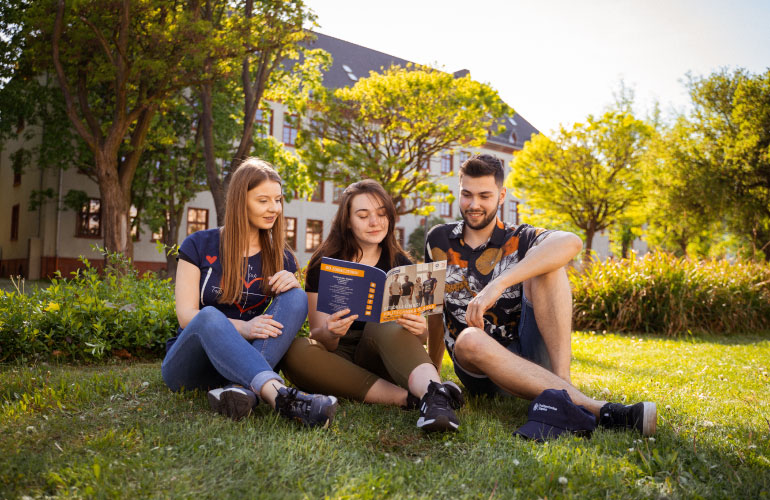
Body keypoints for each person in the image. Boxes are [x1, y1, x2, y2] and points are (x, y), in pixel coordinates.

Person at [424, 153, 657, 436]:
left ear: (501, 196)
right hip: (476, 365)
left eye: (485, 196)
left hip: (529, 353)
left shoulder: (520, 237)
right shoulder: (438, 239)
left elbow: (571, 242)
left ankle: (562, 389)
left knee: (549, 266)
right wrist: (433, 377)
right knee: (471, 338)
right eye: (467, 195)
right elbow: (434, 312)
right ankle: (599, 409)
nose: (474, 205)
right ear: (458, 191)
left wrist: (496, 285)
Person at [161, 158, 338, 427]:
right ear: (240, 201)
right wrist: (244, 328)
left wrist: (291, 284)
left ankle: (238, 392)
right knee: (208, 316)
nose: (274, 209)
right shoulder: (198, 244)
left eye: (278, 200)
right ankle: (280, 397)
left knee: (297, 296)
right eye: (263, 200)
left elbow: (288, 312)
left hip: (245, 364)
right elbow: (187, 318)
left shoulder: (282, 259)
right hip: (190, 367)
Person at [281, 180, 464, 432]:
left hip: (382, 354)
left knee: (384, 323)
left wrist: (419, 327)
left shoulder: (400, 264)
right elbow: (319, 336)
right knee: (295, 350)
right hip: (339, 357)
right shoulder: (323, 262)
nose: (374, 222)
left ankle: (434, 396)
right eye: (363, 215)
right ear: (347, 220)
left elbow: (417, 338)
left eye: (381, 214)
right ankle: (410, 398)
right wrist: (332, 332)